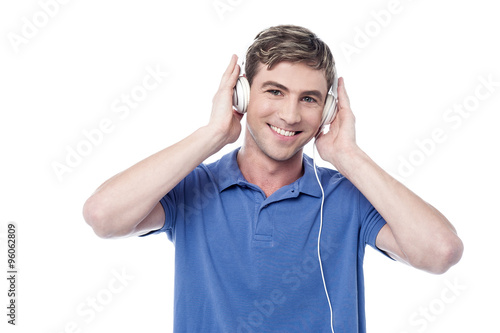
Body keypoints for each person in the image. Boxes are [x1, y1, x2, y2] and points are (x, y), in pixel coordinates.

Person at [83, 25, 463, 332]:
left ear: (328, 108)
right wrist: (212, 134)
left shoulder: (347, 197)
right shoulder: (193, 189)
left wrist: (348, 156)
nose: (291, 114)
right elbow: (103, 216)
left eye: (309, 99)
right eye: (275, 91)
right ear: (243, 94)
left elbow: (441, 252)